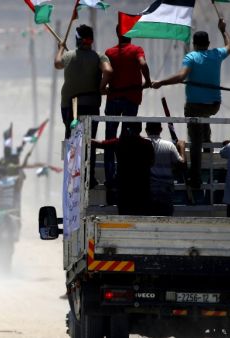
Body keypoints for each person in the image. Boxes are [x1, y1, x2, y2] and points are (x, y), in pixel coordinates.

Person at [152, 18, 230, 189]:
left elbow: (181, 77)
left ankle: (195, 177)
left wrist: (161, 82)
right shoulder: (216, 54)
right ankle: (207, 151)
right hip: (214, 105)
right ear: (208, 43)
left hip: (196, 105)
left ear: (195, 44)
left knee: (195, 140)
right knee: (204, 124)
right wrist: (223, 30)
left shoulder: (192, 56)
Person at [55, 24, 112, 189]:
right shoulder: (99, 57)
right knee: (89, 141)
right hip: (91, 104)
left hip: (70, 107)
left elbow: (57, 63)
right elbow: (108, 71)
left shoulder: (69, 55)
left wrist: (60, 49)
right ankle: (89, 176)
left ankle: (72, 177)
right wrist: (101, 88)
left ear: (77, 39)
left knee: (72, 142)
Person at [103, 25, 152, 200]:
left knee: (110, 139)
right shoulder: (137, 50)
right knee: (126, 141)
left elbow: (105, 73)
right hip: (131, 99)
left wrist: (104, 87)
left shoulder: (109, 52)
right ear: (131, 34)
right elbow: (143, 64)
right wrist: (148, 81)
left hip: (114, 99)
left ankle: (110, 178)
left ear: (117, 34)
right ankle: (122, 176)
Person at [93, 125, 154, 215]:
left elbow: (101, 144)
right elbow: (152, 162)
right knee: (141, 216)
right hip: (142, 188)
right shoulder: (147, 144)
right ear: (140, 129)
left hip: (124, 189)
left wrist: (84, 138)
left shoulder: (120, 142)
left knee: (125, 217)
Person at [145, 122, 186, 216]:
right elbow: (182, 163)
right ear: (161, 130)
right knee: (166, 219)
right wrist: (182, 147)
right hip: (166, 189)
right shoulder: (169, 145)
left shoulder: (142, 144)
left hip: (149, 189)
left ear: (146, 130)